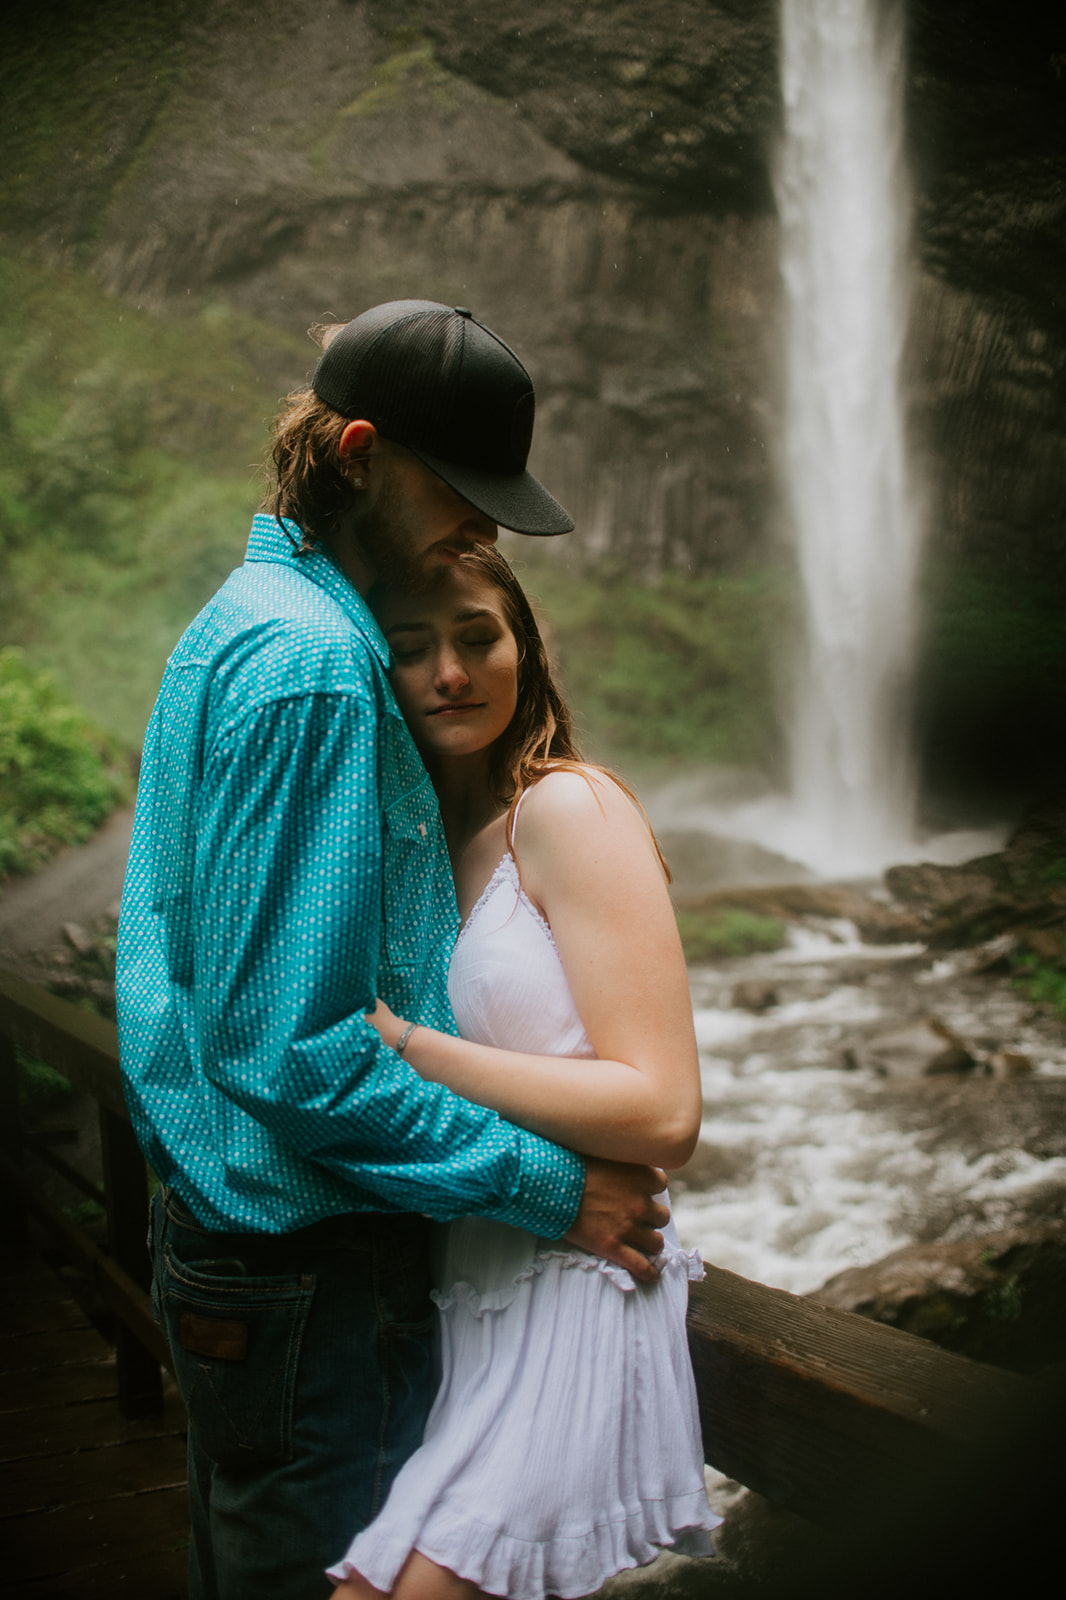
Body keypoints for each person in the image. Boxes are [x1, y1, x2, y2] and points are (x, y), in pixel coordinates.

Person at [115, 300, 671, 1600]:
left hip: (226, 1241)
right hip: (309, 1266)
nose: (482, 532)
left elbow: (181, 973)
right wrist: (552, 1190)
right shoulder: (312, 665)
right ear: (360, 450)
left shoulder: (243, 612)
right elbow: (293, 1054)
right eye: (464, 495)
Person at [326, 546, 720, 1599]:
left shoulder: (568, 809)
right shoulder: (412, 854)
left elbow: (665, 1108)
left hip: (582, 1285)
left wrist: (404, 1041)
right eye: (411, 648)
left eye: (477, 635)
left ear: (524, 649)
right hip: (475, 1290)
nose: (449, 670)